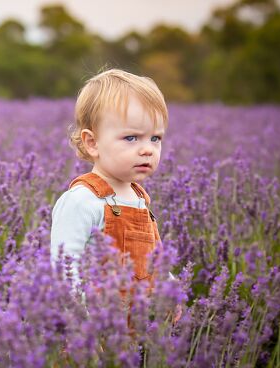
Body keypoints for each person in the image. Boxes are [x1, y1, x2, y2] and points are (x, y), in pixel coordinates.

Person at [50, 69, 178, 320]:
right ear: (92, 143)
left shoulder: (139, 199)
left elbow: (153, 258)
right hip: (91, 334)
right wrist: (81, 326)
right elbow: (64, 270)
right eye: (131, 138)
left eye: (155, 138)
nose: (147, 150)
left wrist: (171, 289)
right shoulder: (82, 201)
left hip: (136, 329)